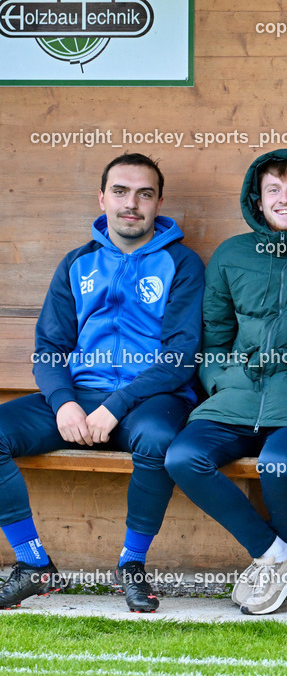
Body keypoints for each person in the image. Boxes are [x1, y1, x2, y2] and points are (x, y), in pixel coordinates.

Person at [165, 149, 287, 615]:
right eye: (273, 189)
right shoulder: (232, 254)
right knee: (182, 456)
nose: (284, 198)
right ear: (257, 200)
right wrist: (218, 381)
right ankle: (277, 557)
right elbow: (213, 339)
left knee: (280, 463)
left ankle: (272, 570)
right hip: (235, 396)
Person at [0, 153, 204, 612]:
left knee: (158, 438)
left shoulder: (182, 263)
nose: (131, 203)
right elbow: (49, 349)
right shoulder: (77, 262)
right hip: (79, 395)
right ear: (102, 197)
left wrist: (116, 405)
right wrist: (64, 403)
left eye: (144, 194)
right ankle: (33, 564)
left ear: (158, 203)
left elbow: (181, 356)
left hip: (151, 397)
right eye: (120, 191)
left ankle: (132, 564)